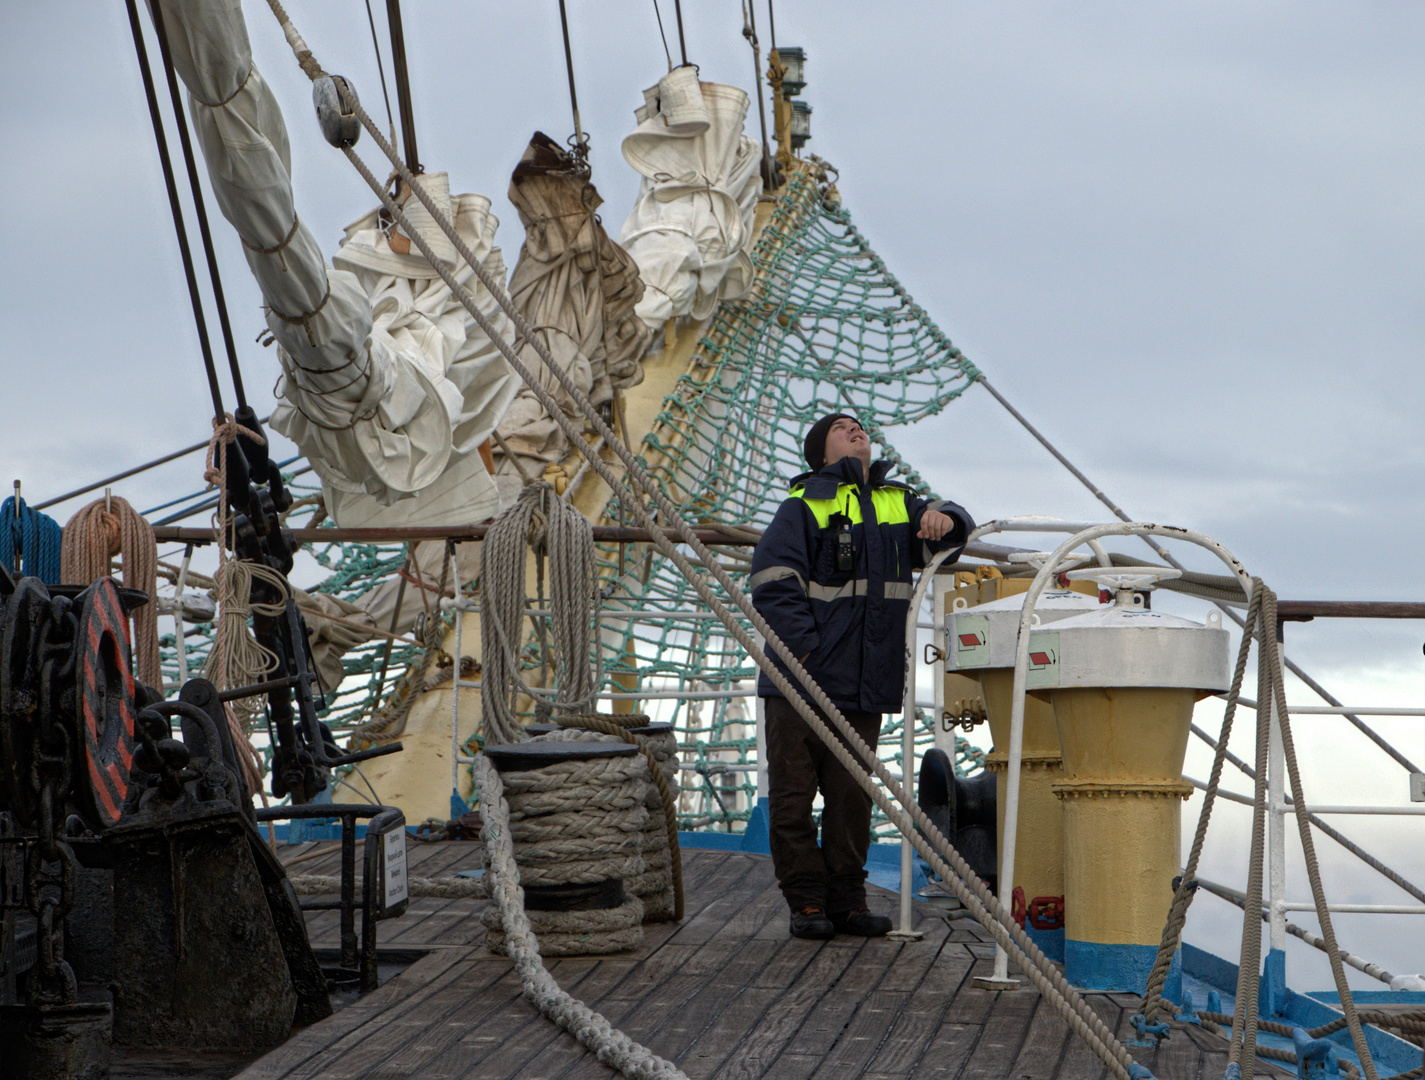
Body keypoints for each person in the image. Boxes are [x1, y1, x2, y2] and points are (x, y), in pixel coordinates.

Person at [750, 414, 973, 939]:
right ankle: (806, 903)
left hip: (865, 682)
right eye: (842, 428)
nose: (857, 431)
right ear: (820, 452)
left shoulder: (898, 502)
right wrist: (805, 648)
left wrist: (947, 518)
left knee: (853, 798)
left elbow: (949, 534)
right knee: (792, 797)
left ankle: (847, 901)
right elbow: (772, 578)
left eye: (861, 428)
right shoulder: (805, 504)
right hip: (800, 679)